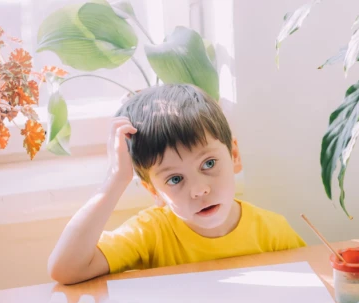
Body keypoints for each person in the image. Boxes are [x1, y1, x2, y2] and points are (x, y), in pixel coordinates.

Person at [48, 84, 306, 285]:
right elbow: (65, 269)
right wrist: (116, 179)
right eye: (174, 179)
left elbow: (312, 282)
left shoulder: (273, 232)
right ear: (153, 191)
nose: (199, 190)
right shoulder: (151, 233)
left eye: (209, 164)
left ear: (234, 156)